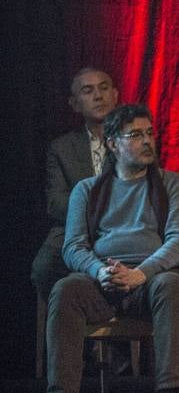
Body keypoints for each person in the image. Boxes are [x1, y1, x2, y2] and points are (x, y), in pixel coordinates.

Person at [40, 103, 179, 393]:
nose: (146, 141)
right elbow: (73, 246)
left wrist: (141, 273)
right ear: (113, 143)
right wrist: (99, 271)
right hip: (104, 280)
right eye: (135, 135)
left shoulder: (174, 184)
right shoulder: (87, 189)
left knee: (172, 283)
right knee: (66, 289)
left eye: (149, 133)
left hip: (151, 279)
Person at [32, 67, 120, 301]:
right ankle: (63, 326)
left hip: (123, 227)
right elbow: (56, 203)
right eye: (88, 90)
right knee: (43, 267)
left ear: (115, 95)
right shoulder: (61, 148)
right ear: (74, 103)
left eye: (103, 88)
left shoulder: (132, 140)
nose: (98, 96)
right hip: (74, 228)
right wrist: (92, 215)